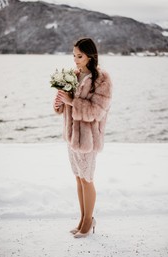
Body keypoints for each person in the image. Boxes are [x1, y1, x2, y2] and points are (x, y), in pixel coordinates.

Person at [53, 37, 112, 238]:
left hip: (88, 139)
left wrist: (73, 102)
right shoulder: (74, 75)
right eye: (74, 56)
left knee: (87, 179)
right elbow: (66, 106)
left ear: (90, 56)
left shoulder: (102, 79)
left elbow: (98, 111)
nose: (75, 60)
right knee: (78, 178)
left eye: (79, 56)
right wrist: (60, 104)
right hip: (71, 137)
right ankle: (82, 219)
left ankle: (89, 221)